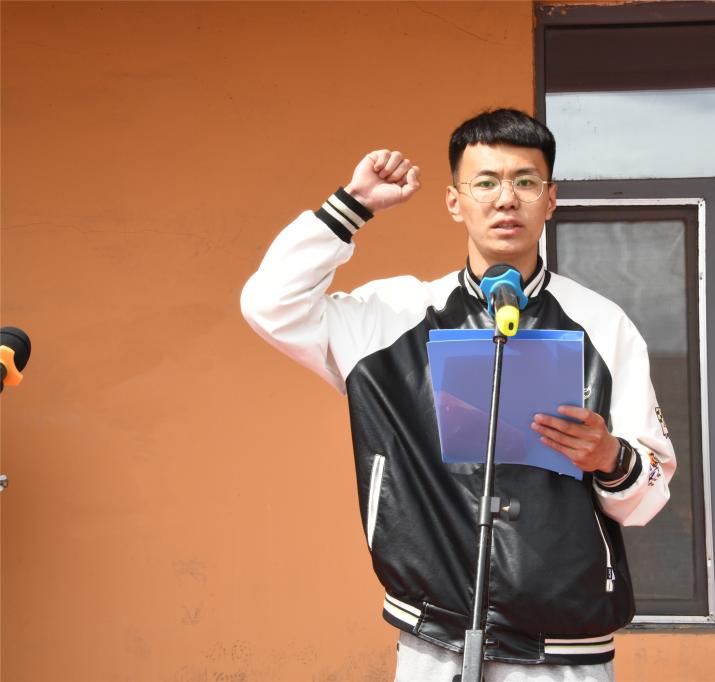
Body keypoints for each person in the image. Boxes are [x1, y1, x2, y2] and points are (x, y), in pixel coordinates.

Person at [241, 108, 676, 681]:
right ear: (454, 201)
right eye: (485, 183)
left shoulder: (603, 324)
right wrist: (352, 205)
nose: (506, 199)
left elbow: (649, 496)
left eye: (526, 182)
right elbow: (269, 305)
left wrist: (611, 458)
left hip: (564, 648)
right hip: (431, 637)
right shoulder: (393, 317)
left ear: (550, 199)